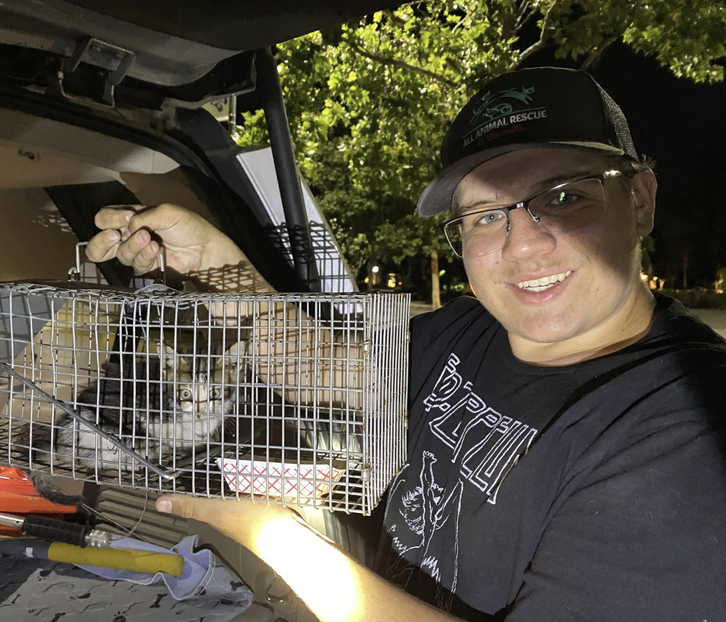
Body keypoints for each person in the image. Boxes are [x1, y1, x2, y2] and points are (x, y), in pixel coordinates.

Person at [86, 67, 726, 621]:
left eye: (563, 197)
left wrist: (268, 533)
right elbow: (320, 369)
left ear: (640, 199)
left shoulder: (691, 432)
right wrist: (220, 264)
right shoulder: (469, 327)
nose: (523, 244)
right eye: (486, 215)